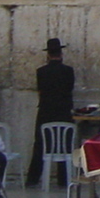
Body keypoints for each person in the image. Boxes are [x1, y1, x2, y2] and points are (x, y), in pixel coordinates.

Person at [27, 38, 76, 188]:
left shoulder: (41, 72)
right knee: (65, 144)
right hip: (64, 112)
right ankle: (63, 179)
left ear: (47, 55)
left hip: (45, 112)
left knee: (40, 145)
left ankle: (33, 178)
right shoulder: (68, 71)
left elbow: (41, 91)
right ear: (61, 54)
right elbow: (69, 89)